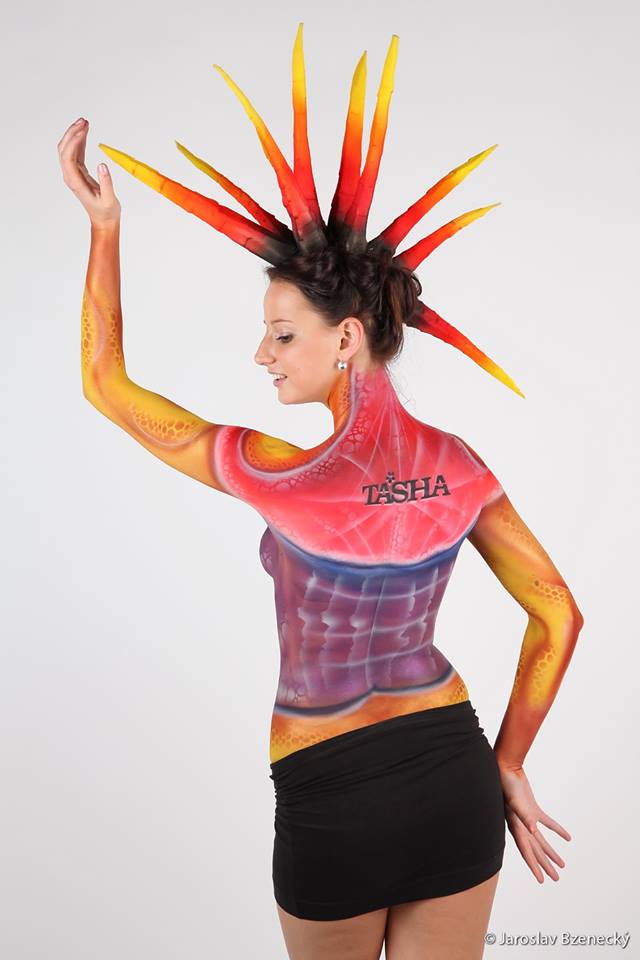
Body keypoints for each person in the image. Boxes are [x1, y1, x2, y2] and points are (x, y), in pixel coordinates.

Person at [58, 25, 584, 960]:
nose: (261, 354)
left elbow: (105, 385)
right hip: (455, 779)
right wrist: (507, 763)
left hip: (332, 796)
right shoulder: (462, 465)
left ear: (346, 338)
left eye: (282, 334)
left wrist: (104, 231)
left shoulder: (280, 474)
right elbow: (557, 612)